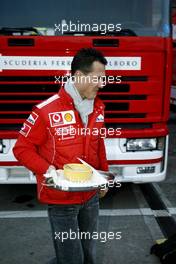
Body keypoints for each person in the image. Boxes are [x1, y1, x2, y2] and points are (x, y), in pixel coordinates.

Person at [13, 48, 109, 264]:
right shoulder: (45, 111)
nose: (103, 84)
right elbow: (21, 148)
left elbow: (98, 143)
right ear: (78, 76)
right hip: (61, 199)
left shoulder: (99, 107)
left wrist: (104, 177)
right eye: (98, 78)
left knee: (88, 256)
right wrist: (47, 170)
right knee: (71, 258)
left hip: (90, 197)